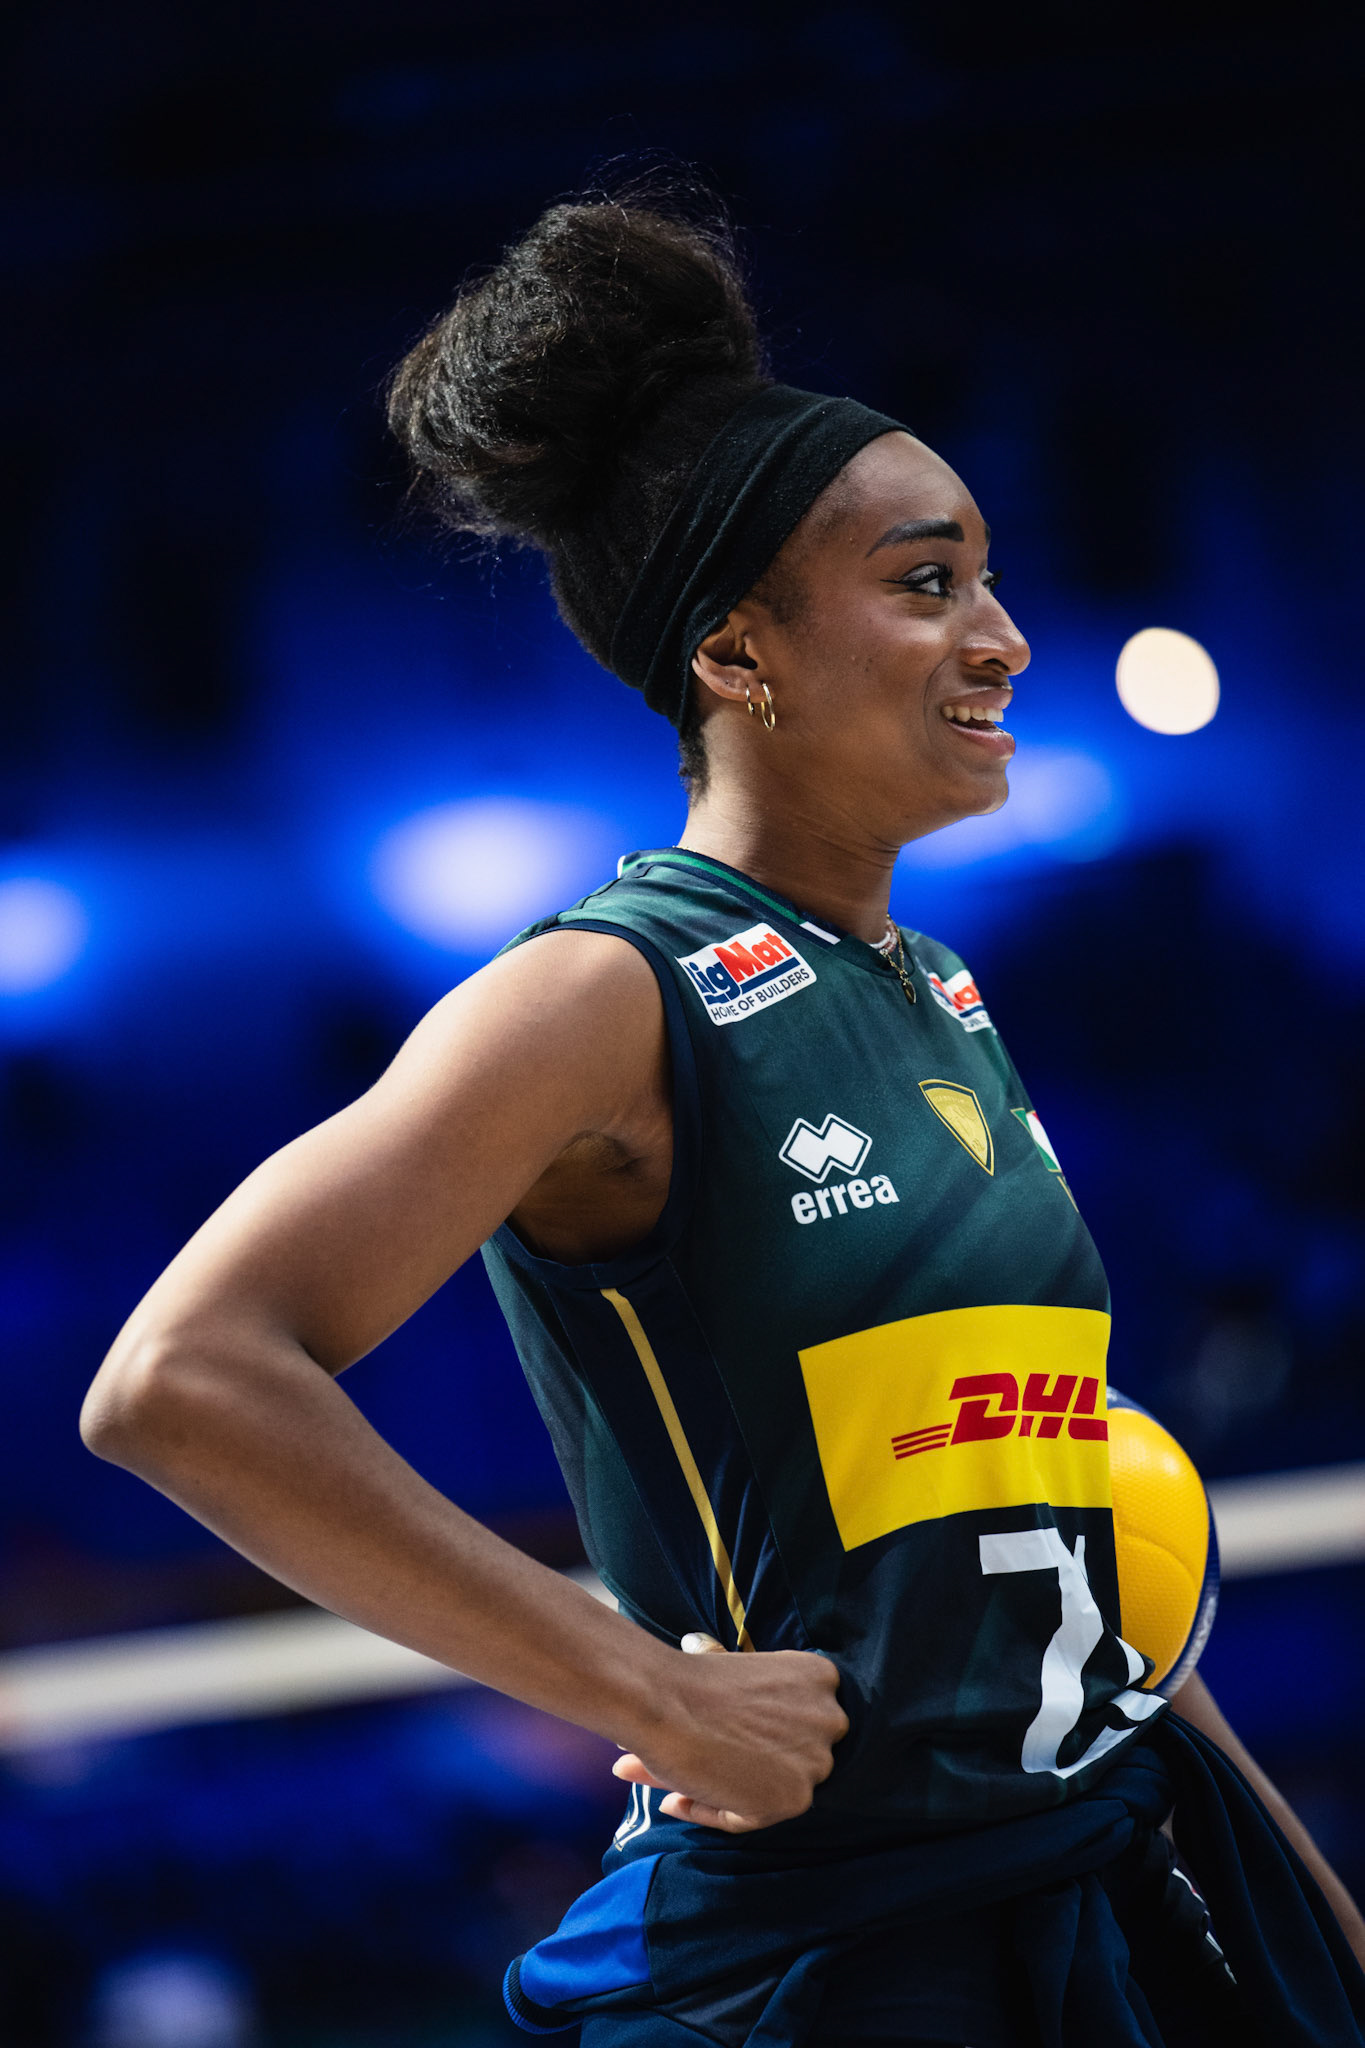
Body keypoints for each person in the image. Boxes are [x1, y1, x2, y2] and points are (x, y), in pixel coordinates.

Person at [82, 185, 1365, 2048]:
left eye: (989, 578)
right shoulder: (607, 992)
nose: (1001, 635)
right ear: (734, 653)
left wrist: (1318, 1936)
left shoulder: (932, 988)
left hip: (1103, 1870)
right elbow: (182, 1379)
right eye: (926, 584)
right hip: (843, 1957)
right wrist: (643, 1693)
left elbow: (1070, 1523)